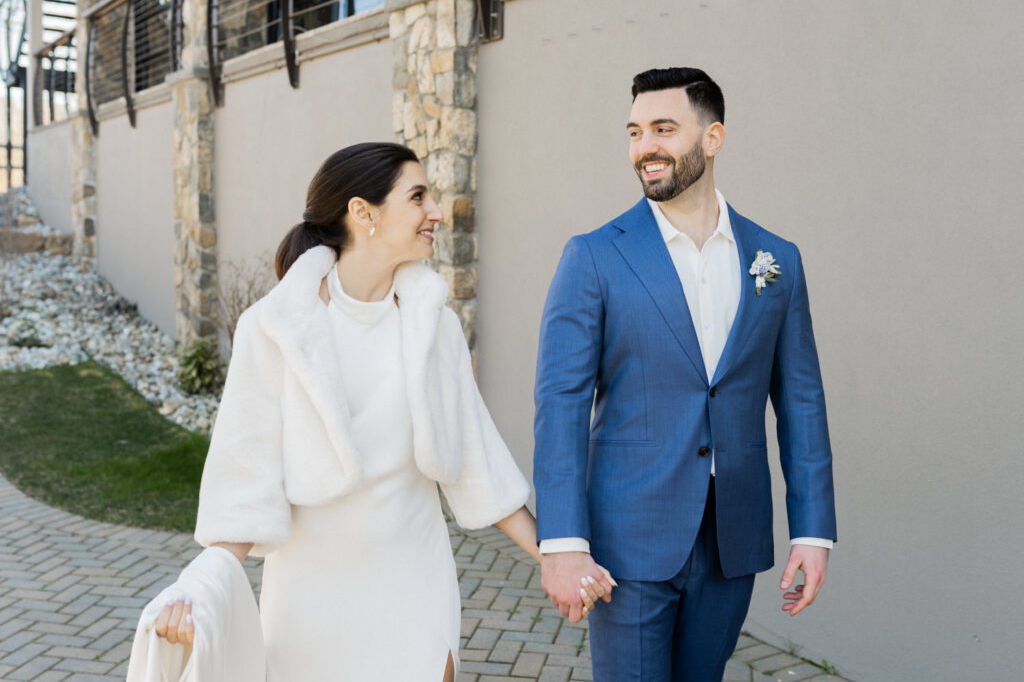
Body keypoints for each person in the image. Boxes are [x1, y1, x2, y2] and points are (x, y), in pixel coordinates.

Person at [149, 143, 614, 680]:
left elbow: (477, 457)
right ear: (362, 212)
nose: (436, 212)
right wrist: (200, 582)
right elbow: (245, 477)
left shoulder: (432, 325)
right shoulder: (275, 327)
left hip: (415, 585)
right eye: (418, 197)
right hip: (308, 602)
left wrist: (556, 556)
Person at [534, 68, 838, 681]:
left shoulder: (774, 259)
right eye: (635, 132)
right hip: (628, 537)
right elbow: (560, 403)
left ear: (714, 137)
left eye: (664, 129)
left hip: (733, 537)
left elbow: (801, 401)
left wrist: (813, 532)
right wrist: (564, 544)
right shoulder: (594, 256)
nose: (645, 147)